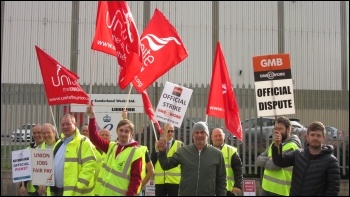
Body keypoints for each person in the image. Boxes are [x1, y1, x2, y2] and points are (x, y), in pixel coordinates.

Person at [86, 104, 144, 196]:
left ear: (131, 134)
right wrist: (92, 118)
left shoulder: (136, 152)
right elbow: (94, 138)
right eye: (121, 130)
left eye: (126, 131)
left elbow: (136, 179)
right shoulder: (112, 146)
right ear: (117, 131)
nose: (123, 134)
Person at [157, 121, 226, 196]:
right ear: (193, 135)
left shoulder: (217, 154)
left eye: (202, 132)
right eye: (196, 132)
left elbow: (221, 181)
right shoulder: (183, 151)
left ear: (207, 135)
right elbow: (166, 165)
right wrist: (162, 152)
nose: (199, 135)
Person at [271, 121, 340, 196]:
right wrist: (276, 145)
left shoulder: (331, 161)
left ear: (323, 138)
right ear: (307, 137)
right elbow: (279, 162)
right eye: (312, 135)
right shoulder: (298, 154)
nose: (315, 138)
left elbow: (333, 190)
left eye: (318, 135)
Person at [47, 114, 97, 196]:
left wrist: (81, 184)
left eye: (68, 124)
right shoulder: (59, 143)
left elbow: (90, 164)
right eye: (63, 125)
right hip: (56, 191)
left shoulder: (84, 142)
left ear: (75, 124)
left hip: (75, 192)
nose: (65, 127)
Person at [256, 116, 301, 196]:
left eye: (280, 129)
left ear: (288, 129)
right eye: (275, 128)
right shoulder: (274, 144)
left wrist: (272, 160)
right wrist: (270, 159)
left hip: (281, 191)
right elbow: (258, 160)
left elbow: (275, 165)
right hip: (266, 187)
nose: (277, 131)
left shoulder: (292, 146)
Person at [151, 123, 183, 196]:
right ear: (163, 131)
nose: (170, 133)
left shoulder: (179, 144)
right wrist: (156, 150)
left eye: (172, 131)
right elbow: (152, 160)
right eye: (168, 131)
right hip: (160, 181)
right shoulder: (158, 143)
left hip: (174, 181)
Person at [211, 128, 243, 196]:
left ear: (224, 136)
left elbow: (238, 171)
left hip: (229, 191)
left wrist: (237, 186)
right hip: (211, 190)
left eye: (220, 135)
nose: (218, 138)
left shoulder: (231, 151)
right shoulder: (207, 151)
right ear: (211, 137)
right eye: (215, 136)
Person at [18, 124, 43, 196]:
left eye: (39, 132)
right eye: (34, 133)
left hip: (46, 189)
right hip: (32, 190)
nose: (36, 135)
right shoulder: (28, 150)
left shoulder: (49, 148)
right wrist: (23, 185)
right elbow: (25, 169)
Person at [36, 123, 59, 196]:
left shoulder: (63, 146)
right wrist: (38, 185)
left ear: (54, 132)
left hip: (60, 188)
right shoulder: (38, 149)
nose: (46, 135)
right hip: (45, 191)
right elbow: (36, 170)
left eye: (48, 132)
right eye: (43, 133)